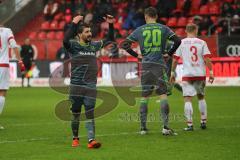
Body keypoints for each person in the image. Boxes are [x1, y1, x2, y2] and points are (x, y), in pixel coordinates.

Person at [121, 7, 181, 135]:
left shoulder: (139, 30)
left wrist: (136, 55)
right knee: (163, 95)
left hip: (146, 66)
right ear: (156, 16)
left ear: (145, 17)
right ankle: (165, 127)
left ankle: (143, 128)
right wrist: (169, 53)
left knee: (144, 96)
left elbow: (124, 44)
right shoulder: (163, 28)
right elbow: (178, 40)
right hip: (159, 65)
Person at [63, 15, 114, 148]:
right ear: (79, 34)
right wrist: (74, 23)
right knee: (76, 113)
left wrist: (111, 24)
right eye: (86, 32)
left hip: (90, 85)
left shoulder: (94, 45)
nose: (90, 33)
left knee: (90, 112)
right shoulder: (73, 45)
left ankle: (91, 140)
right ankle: (75, 138)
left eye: (90, 31)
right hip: (76, 85)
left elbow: (110, 39)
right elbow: (65, 40)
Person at [170, 23, 214, 131]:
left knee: (187, 99)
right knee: (201, 97)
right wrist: (211, 72)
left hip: (187, 75)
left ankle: (190, 125)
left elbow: (175, 60)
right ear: (196, 30)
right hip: (200, 74)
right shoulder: (202, 42)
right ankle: (203, 122)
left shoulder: (181, 43)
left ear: (186, 30)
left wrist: (172, 73)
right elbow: (207, 59)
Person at [0, 26, 25, 129]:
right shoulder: (7, 31)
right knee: (2, 92)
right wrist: (20, 61)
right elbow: (14, 45)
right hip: (3, 65)